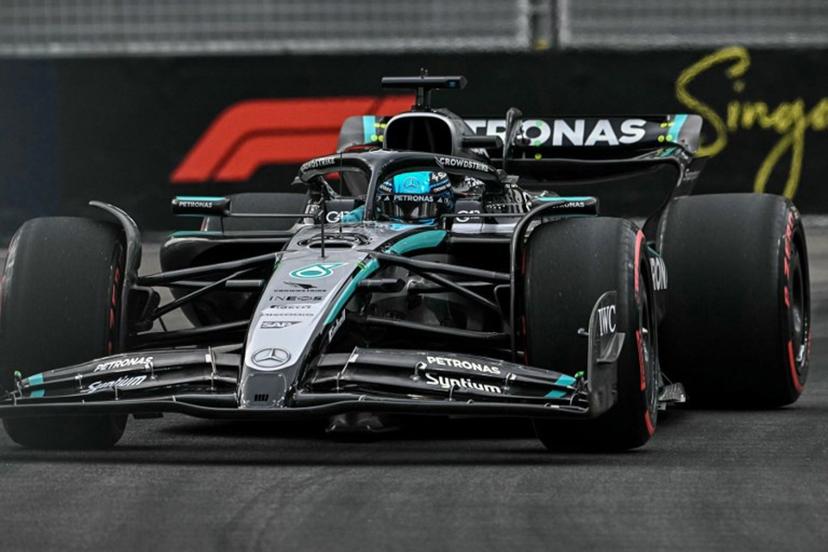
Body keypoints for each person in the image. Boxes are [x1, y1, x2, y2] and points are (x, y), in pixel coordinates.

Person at [341, 170, 456, 224]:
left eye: (423, 210)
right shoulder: (364, 213)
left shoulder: (462, 222)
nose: (408, 224)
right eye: (397, 209)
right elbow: (345, 223)